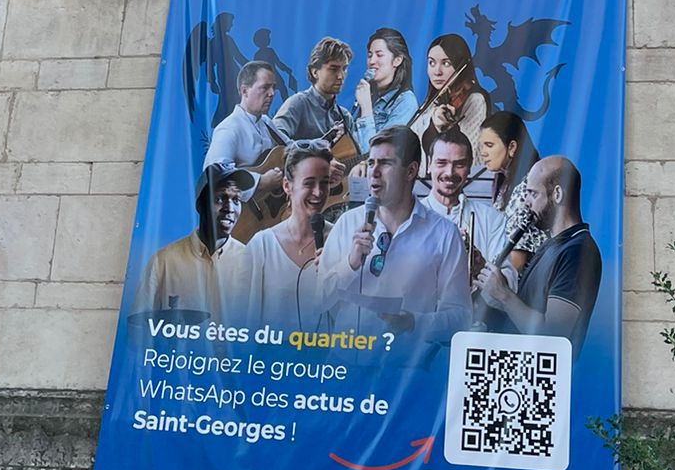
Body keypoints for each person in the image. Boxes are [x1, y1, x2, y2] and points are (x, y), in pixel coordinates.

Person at [317, 125, 471, 344]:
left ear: (411, 171)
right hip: (347, 368)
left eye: (385, 163)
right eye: (371, 163)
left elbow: (460, 318)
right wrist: (350, 264)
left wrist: (414, 323)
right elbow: (316, 301)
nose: (374, 172)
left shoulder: (444, 234)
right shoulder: (347, 223)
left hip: (407, 373)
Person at [474, 155, 602, 353]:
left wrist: (504, 294)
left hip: (545, 379)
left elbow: (554, 335)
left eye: (533, 194)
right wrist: (492, 292)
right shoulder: (551, 246)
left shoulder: (578, 251)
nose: (526, 202)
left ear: (557, 194)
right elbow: (524, 314)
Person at [233, 141, 335, 328]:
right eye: (309, 183)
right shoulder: (261, 246)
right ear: (287, 186)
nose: (318, 192)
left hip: (325, 356)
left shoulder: (341, 240)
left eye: (325, 183)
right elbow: (240, 322)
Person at [136, 162, 255, 321]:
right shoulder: (164, 261)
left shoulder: (251, 263)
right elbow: (137, 329)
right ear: (200, 204)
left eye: (236, 200)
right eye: (220, 198)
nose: (230, 208)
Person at [422, 129, 499, 279]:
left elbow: (508, 284)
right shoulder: (408, 217)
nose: (449, 173)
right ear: (429, 165)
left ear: (469, 167)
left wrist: (480, 266)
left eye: (459, 165)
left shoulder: (492, 220)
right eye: (441, 163)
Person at [410, 32, 488, 161]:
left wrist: (446, 129)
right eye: (431, 63)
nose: (437, 71)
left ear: (460, 65)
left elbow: (469, 157)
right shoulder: (429, 105)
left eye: (446, 63)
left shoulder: (475, 100)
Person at [272, 36, 353, 145]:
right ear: (314, 72)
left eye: (344, 69)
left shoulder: (345, 117)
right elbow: (274, 141)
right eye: (333, 69)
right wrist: (317, 147)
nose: (340, 76)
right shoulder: (298, 104)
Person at [349, 26, 417, 150]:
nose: (372, 61)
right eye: (370, 55)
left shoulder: (406, 102)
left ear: (397, 60)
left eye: (379, 55)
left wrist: (366, 110)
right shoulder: (370, 96)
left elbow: (376, 156)